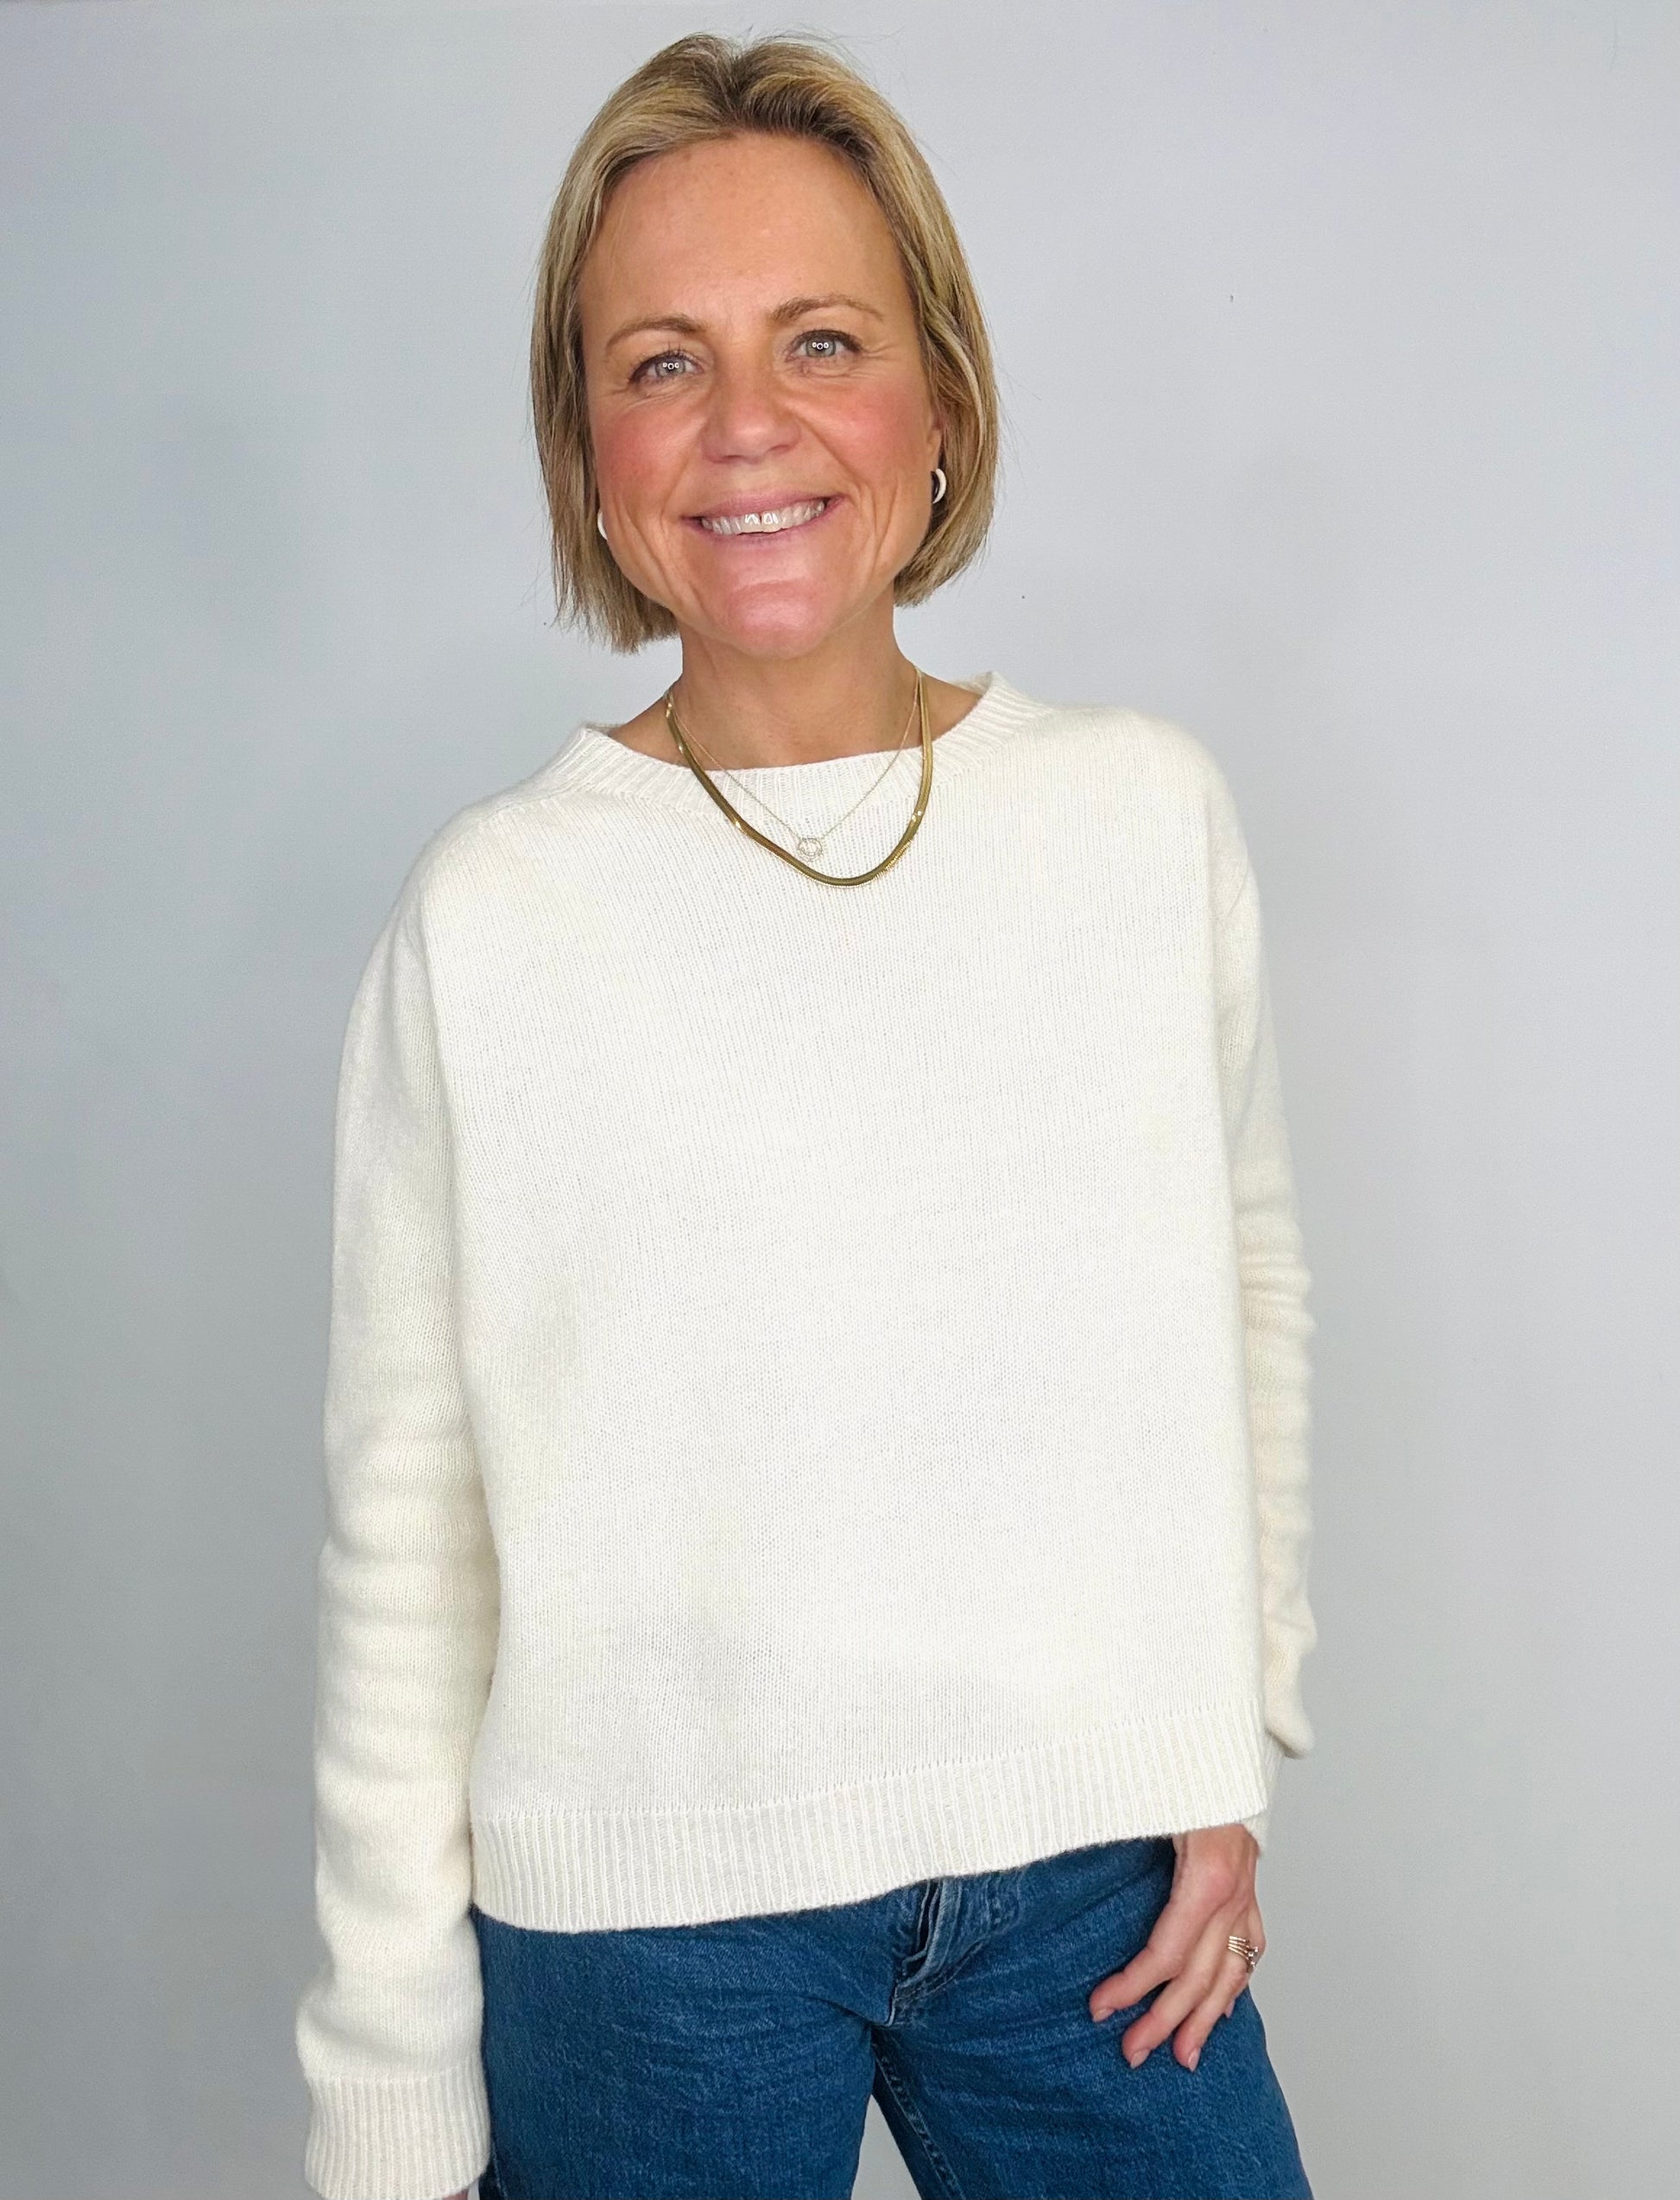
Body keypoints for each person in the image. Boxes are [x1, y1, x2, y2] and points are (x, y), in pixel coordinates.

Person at [294, 30, 1318, 2200]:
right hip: (642, 1934)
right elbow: (406, 1521)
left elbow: (1237, 1292)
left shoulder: (1136, 820)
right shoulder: (493, 913)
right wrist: (388, 2103)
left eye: (820, 341)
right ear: (587, 455)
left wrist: (1219, 1733)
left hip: (1091, 1881)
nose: (745, 422)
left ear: (937, 397)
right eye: (660, 363)